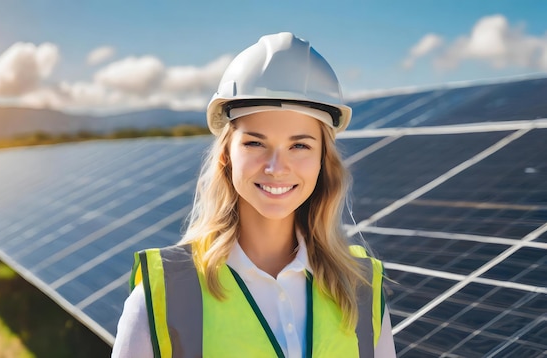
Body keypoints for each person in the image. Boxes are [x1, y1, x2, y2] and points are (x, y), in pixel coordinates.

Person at [111, 32, 396, 358]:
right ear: (226, 156)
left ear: (322, 161)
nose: (277, 167)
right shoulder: (163, 295)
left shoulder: (362, 288)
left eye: (299, 145)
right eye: (255, 143)